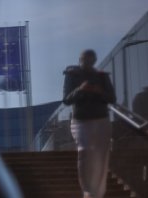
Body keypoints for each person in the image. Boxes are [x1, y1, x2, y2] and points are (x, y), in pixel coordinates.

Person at [63, 49, 116, 198]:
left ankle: (98, 193)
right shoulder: (71, 75)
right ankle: (88, 191)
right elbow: (66, 99)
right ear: (80, 60)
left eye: (88, 59)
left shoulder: (102, 76)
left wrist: (99, 91)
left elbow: (112, 99)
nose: (85, 62)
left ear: (94, 60)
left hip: (101, 119)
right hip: (81, 120)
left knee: (101, 156)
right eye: (82, 59)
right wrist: (81, 89)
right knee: (84, 151)